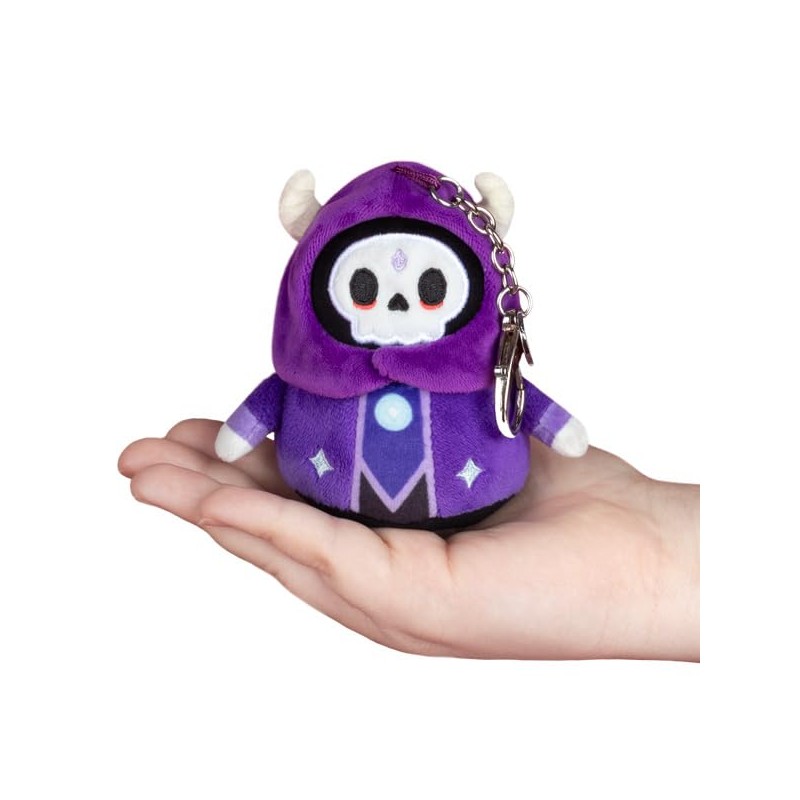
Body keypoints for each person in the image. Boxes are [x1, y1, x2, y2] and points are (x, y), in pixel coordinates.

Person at [118, 419, 699, 662]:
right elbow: (269, 397)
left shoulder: (474, 363)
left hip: (482, 488)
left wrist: (662, 563)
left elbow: (526, 397)